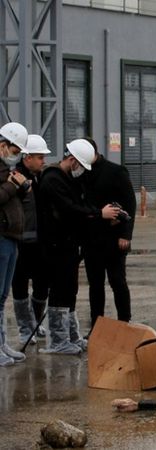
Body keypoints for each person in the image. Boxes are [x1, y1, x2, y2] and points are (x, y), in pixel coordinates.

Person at [38, 138, 120, 355]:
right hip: (55, 244)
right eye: (80, 166)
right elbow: (69, 208)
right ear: (72, 160)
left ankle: (71, 335)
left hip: (69, 244)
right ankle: (57, 340)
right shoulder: (52, 179)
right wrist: (97, 214)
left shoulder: (65, 178)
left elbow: (80, 204)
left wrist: (98, 211)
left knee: (70, 289)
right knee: (59, 290)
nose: (81, 171)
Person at [82, 139, 136, 330]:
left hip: (114, 238)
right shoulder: (82, 173)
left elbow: (130, 203)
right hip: (91, 239)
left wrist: (126, 235)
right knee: (95, 285)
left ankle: (125, 323)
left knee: (117, 281)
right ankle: (97, 326)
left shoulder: (116, 172)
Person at [11, 135, 50, 347]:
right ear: (27, 158)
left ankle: (35, 320)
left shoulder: (39, 177)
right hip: (20, 243)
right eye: (39, 157)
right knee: (20, 286)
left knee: (42, 284)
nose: (43, 161)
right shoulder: (15, 178)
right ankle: (25, 329)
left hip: (39, 242)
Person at [0, 122, 30, 366]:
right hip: (1, 236)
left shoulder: (6, 170)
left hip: (11, 237)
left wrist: (23, 186)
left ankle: (1, 344)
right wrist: (12, 185)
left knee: (2, 296)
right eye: (14, 150)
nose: (16, 155)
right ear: (3, 146)